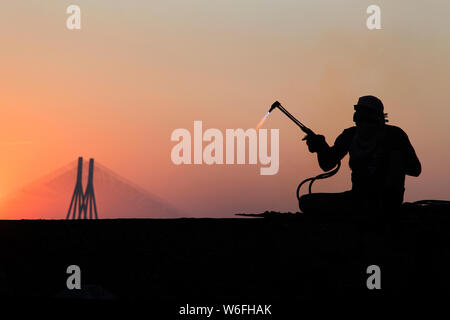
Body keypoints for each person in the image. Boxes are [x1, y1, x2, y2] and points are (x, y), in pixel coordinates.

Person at [299, 95, 421, 216]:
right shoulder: (350, 135)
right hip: (357, 198)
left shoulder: (395, 135)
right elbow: (327, 164)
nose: (363, 121)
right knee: (306, 202)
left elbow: (415, 170)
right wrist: (320, 147)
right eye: (360, 116)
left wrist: (392, 160)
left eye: (367, 116)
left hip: (387, 201)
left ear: (379, 118)